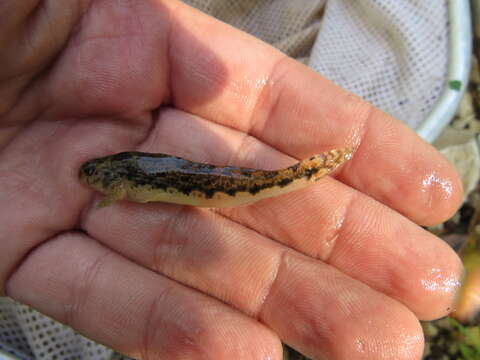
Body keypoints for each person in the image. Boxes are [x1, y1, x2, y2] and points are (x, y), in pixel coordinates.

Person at [0, 1, 464, 359]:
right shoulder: (122, 176)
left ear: (114, 182)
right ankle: (317, 169)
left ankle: (317, 169)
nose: (99, 183)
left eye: (99, 178)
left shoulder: (118, 184)